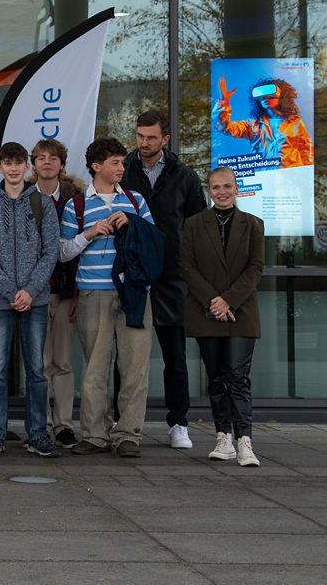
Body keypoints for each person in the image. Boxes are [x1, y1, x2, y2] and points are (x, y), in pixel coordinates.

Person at [60, 137, 156, 457]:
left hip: (133, 294)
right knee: (95, 369)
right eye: (115, 162)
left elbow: (153, 243)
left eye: (122, 162)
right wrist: (89, 233)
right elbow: (62, 252)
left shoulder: (136, 200)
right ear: (96, 167)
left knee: (134, 368)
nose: (122, 167)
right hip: (93, 293)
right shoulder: (77, 205)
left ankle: (129, 434)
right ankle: (95, 435)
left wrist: (133, 223)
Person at [121, 109, 206, 450]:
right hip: (135, 275)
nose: (144, 143)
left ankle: (179, 422)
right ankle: (120, 417)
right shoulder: (122, 172)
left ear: (165, 139)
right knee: (125, 356)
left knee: (175, 357)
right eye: (140, 137)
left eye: (151, 137)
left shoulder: (185, 177)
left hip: (173, 278)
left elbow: (199, 229)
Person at [0, 142, 61, 458]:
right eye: (7, 163)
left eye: (18, 163)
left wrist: (30, 290)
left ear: (28, 166)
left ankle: (38, 434)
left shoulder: (42, 204)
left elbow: (51, 250)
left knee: (36, 370)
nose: (13, 168)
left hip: (34, 299)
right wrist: (11, 291)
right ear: (0, 167)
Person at [181, 167, 266, 467]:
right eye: (216, 187)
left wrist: (228, 300)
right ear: (209, 190)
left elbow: (255, 268)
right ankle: (223, 437)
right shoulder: (193, 225)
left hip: (241, 311)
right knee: (216, 378)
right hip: (207, 312)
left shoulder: (254, 225)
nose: (222, 192)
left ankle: (245, 442)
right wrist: (214, 301)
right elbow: (188, 267)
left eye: (227, 186)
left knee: (238, 377)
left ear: (236, 187)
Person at [30, 138, 83, 448]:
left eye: (53, 158)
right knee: (38, 363)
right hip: (33, 294)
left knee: (61, 362)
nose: (47, 162)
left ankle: (62, 424)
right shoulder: (23, 198)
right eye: (41, 158)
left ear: (62, 165)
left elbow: (79, 253)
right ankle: (40, 424)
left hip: (64, 292)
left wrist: (77, 293)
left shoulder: (75, 201)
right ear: (34, 164)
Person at [213, 76, 313, 168]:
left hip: (291, 176)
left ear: (282, 98)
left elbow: (306, 151)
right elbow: (224, 127)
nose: (265, 99)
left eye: (270, 96)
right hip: (265, 177)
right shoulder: (253, 125)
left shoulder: (295, 122)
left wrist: (307, 176)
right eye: (261, 97)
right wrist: (223, 101)